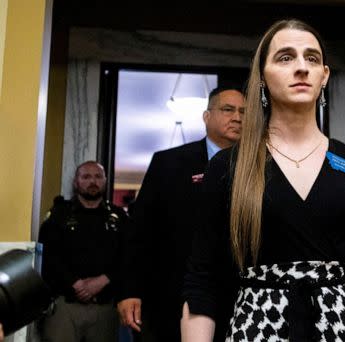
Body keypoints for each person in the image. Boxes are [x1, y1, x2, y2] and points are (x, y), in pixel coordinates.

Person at [181, 19, 345, 342]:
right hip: (259, 330)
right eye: (285, 57)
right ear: (262, 77)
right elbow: (202, 281)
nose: (302, 68)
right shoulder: (228, 166)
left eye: (312, 58)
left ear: (325, 76)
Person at [117, 87, 245, 341]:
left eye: (244, 112)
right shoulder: (169, 163)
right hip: (171, 296)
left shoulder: (261, 167)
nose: (238, 117)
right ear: (206, 117)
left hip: (239, 300)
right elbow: (140, 232)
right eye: (228, 110)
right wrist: (130, 290)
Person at [38, 161, 128, 342]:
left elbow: (129, 257)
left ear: (104, 180)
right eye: (86, 177)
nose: (92, 181)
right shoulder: (59, 214)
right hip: (65, 305)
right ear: (76, 182)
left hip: (105, 307)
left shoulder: (119, 218)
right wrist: (75, 283)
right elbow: (47, 256)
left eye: (97, 176)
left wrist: (103, 280)